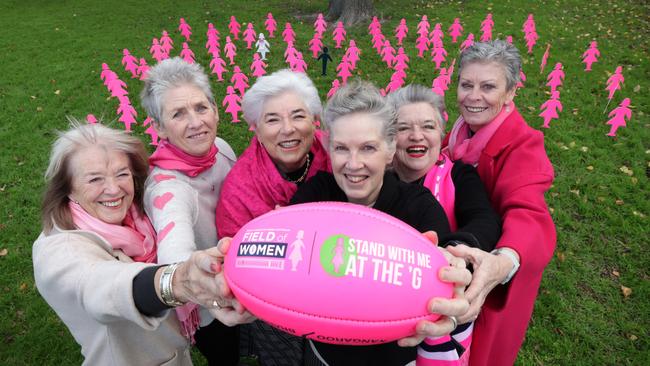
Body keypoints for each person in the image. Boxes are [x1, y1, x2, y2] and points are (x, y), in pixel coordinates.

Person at [33, 122, 253, 366]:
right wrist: (179, 281)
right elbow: (100, 285)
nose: (113, 189)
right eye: (95, 179)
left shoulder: (137, 221)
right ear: (68, 190)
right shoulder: (57, 250)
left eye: (122, 174)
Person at [289, 81, 471, 366]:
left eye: (367, 148)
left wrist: (459, 268)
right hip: (322, 355)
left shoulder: (419, 208)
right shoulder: (315, 197)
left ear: (389, 151)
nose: (353, 163)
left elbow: (449, 260)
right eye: (341, 148)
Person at [443, 40, 556, 365]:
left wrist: (504, 261)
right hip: (457, 256)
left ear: (510, 93)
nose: (473, 96)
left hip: (489, 275)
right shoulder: (461, 131)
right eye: (467, 84)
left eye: (488, 87)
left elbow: (529, 213)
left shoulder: (523, 145)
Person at [215, 69, 331, 365]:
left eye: (298, 116)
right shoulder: (240, 187)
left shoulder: (336, 154)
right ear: (254, 127)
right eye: (273, 119)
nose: (288, 129)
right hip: (274, 304)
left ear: (314, 120)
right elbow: (237, 265)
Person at [387, 84, 502, 364]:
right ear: (389, 137)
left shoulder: (459, 175)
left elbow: (484, 220)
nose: (417, 136)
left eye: (428, 126)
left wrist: (453, 253)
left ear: (441, 133)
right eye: (403, 128)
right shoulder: (374, 180)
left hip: (440, 310)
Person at [139, 57, 242, 365]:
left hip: (238, 269)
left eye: (201, 107)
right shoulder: (167, 190)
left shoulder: (221, 148)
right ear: (159, 127)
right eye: (178, 114)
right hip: (211, 302)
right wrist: (200, 281)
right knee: (226, 354)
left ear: (216, 109)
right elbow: (175, 255)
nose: (196, 122)